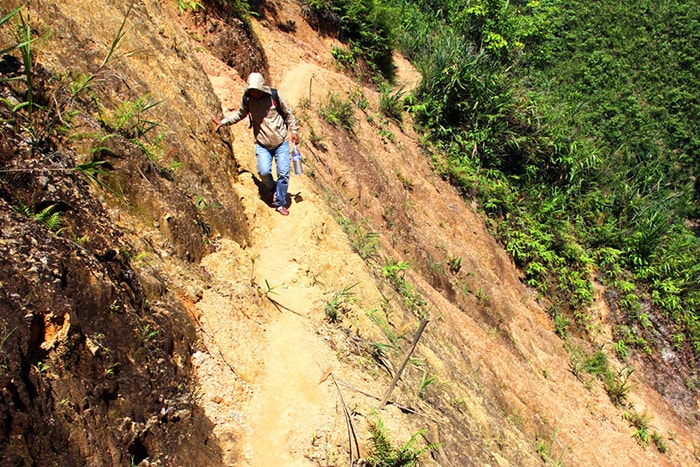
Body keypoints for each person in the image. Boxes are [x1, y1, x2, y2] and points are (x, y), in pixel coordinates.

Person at [213, 72, 300, 216]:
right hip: (262, 143)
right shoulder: (248, 100)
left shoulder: (274, 96)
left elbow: (288, 115)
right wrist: (223, 122)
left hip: (281, 142)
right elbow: (239, 114)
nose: (255, 93)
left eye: (257, 90)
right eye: (252, 90)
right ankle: (273, 189)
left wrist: (294, 132)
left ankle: (280, 202)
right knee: (263, 172)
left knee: (283, 173)